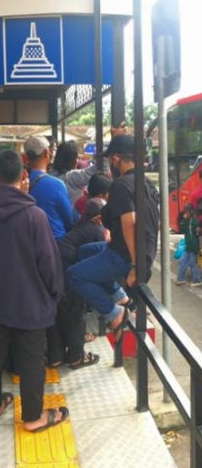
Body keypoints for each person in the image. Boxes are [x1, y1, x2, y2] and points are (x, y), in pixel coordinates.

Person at [0, 149, 67, 432]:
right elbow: (49, 265)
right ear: (24, 175)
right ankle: (33, 417)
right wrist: (54, 295)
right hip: (30, 303)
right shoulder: (34, 216)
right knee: (31, 359)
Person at [67, 135, 160, 342]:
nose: (110, 164)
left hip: (126, 256)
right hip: (134, 250)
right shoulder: (144, 182)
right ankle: (121, 298)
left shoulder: (120, 185)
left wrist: (135, 265)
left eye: (110, 159)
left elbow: (131, 222)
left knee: (74, 275)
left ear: (116, 159)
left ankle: (116, 313)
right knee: (85, 251)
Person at [47, 198, 106, 369]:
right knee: (75, 314)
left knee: (58, 313)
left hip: (54, 270)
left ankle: (55, 357)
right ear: (98, 218)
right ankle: (75, 357)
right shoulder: (95, 230)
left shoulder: (79, 226)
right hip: (70, 274)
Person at [24, 136, 73, 240]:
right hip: (54, 241)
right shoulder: (57, 184)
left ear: (26, 157)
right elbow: (68, 219)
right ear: (47, 152)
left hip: (28, 241)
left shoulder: (21, 183)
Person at [50, 141, 100, 206]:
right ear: (70, 159)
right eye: (76, 158)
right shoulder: (72, 176)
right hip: (71, 214)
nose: (78, 161)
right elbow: (96, 170)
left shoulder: (50, 174)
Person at [176, 204, 201, 286]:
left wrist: (198, 230)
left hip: (193, 247)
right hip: (188, 246)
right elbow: (182, 229)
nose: (186, 213)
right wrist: (184, 220)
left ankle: (197, 279)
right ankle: (180, 278)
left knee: (193, 263)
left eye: (187, 212)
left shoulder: (195, 221)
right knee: (183, 262)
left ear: (191, 212)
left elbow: (198, 232)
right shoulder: (186, 222)